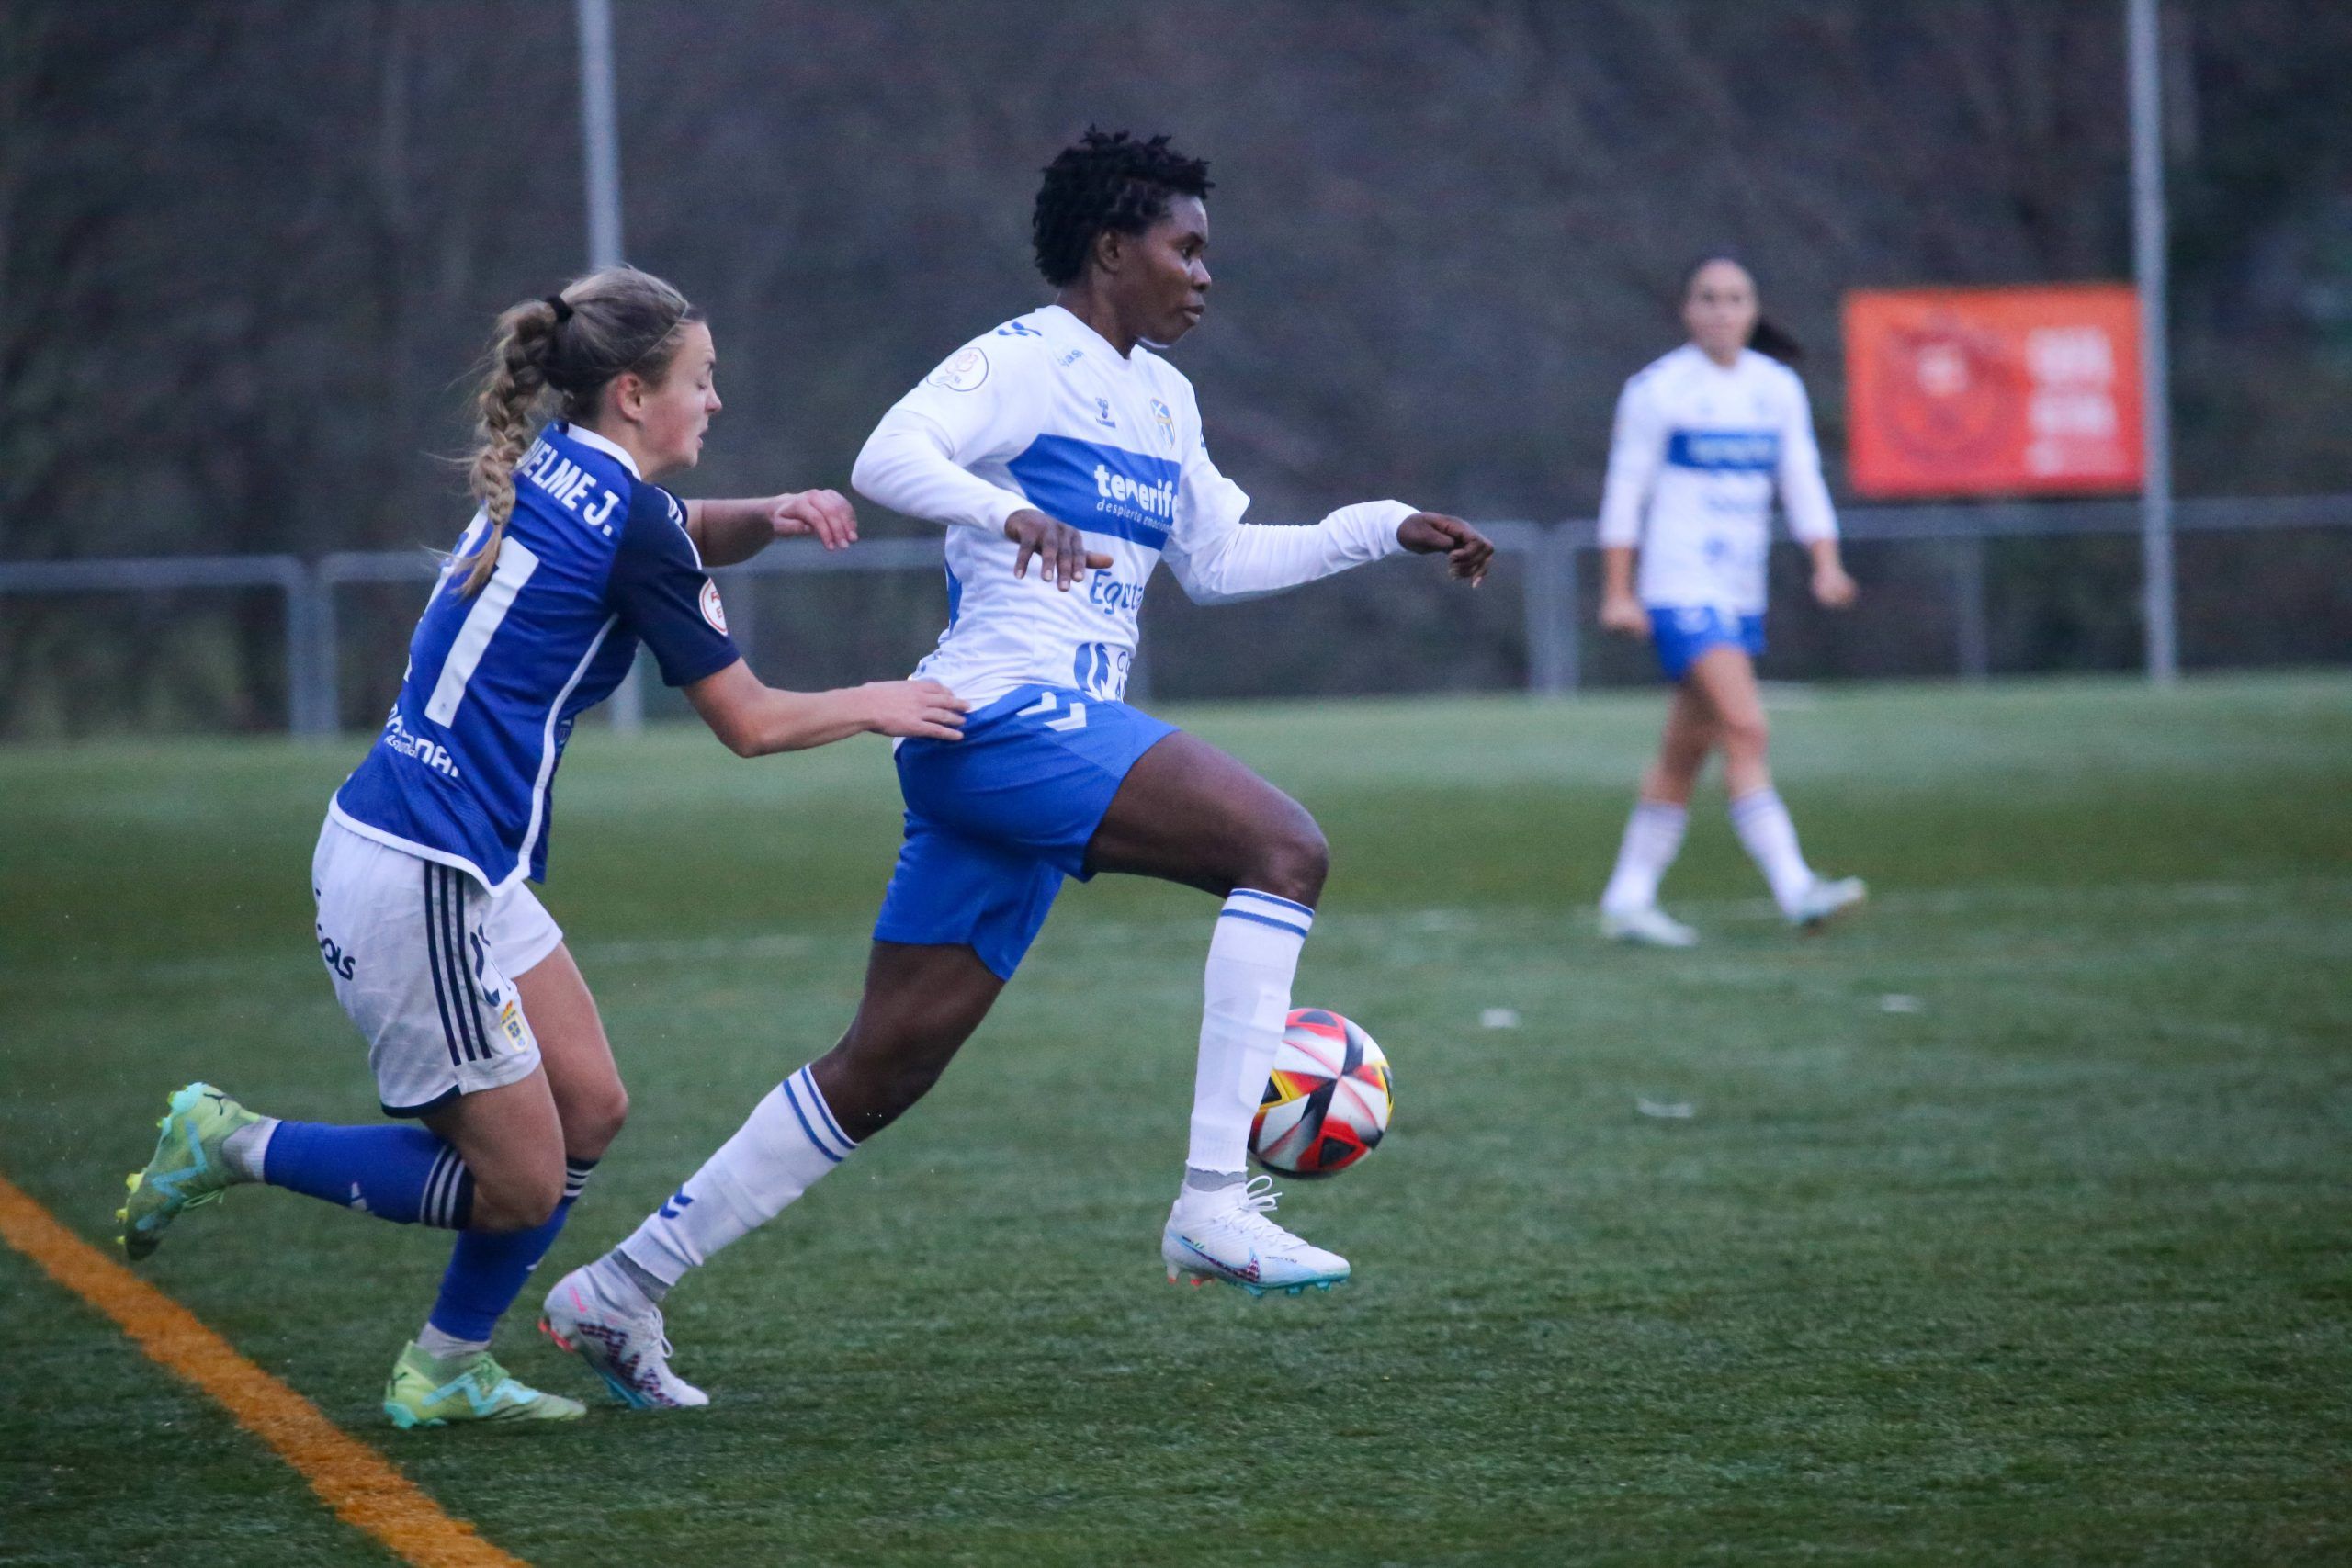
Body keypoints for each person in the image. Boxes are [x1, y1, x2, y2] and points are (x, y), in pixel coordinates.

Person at [541, 129, 1493, 1407]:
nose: (1204, 273)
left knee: (883, 1069)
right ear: (1112, 249)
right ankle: (1213, 1199)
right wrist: (1008, 509)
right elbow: (888, 455)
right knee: (1282, 848)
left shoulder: (1164, 400)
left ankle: (618, 1288)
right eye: (1185, 248)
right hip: (999, 717)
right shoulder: (1024, 360)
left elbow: (1219, 561)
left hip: (1017, 749)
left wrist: (1382, 528)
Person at [115, 265, 966, 1428]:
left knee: (591, 1108)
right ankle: (229, 1142)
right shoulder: (634, 520)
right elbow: (751, 723)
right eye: (701, 379)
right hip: (424, 870)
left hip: (442, 855)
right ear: (633, 394)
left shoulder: (555, 463)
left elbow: (670, 536)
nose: (716, 400)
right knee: (515, 1185)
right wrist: (878, 699)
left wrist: (767, 513)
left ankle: (446, 1369)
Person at [1593, 255, 1865, 947]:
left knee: (1686, 750)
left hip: (1740, 592)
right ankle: (1796, 888)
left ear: (1753, 310)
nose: (1721, 310)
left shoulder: (1776, 388)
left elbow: (1801, 478)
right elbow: (1625, 492)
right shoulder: (1658, 389)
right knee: (1746, 726)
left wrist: (1826, 563)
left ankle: (1628, 898)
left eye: (1735, 298)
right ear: (1688, 310)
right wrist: (1619, 592)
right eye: (1708, 298)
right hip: (1679, 587)